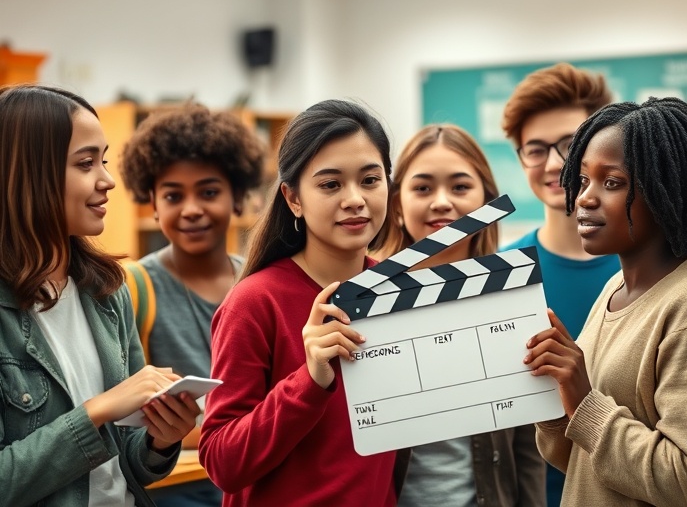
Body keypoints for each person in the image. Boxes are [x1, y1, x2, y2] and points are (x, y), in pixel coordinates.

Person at [524, 97, 687, 506]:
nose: (584, 198)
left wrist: (586, 403)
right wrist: (558, 402)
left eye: (613, 182)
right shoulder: (616, 289)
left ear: (667, 190)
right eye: (583, 180)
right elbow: (582, 461)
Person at [0, 85, 200, 506]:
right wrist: (97, 411)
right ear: (28, 173)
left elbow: (129, 461)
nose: (108, 180)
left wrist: (161, 440)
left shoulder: (108, 292)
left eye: (103, 161)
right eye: (86, 163)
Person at [198, 99, 399, 506]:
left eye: (370, 180)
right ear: (293, 199)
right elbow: (222, 461)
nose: (355, 199)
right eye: (330, 184)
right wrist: (309, 380)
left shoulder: (399, 289)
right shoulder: (254, 302)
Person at [371, 123, 546, 506]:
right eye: (422, 188)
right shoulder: (365, 300)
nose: (441, 202)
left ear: (487, 200)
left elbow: (528, 447)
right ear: (397, 205)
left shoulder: (513, 298)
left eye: (460, 186)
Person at [118, 103, 265, 507]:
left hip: (254, 479)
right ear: (152, 202)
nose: (192, 208)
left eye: (209, 191)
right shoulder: (134, 288)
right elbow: (127, 417)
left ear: (238, 198)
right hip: (175, 488)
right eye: (173, 195)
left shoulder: (260, 283)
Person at [500, 62, 620, 505]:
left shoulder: (647, 268)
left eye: (571, 145)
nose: (554, 163)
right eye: (535, 149)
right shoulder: (500, 271)